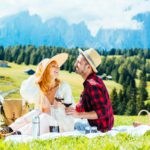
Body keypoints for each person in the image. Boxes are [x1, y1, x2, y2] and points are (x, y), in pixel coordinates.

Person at [0, 53, 75, 137]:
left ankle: (16, 134)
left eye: (58, 66)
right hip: (45, 120)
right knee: (34, 113)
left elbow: (71, 109)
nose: (57, 68)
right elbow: (25, 92)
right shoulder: (41, 87)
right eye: (53, 66)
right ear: (45, 70)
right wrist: (37, 74)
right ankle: (9, 129)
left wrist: (62, 106)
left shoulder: (63, 86)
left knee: (43, 117)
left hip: (61, 124)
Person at [66, 48, 114, 132]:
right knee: (69, 122)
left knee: (68, 127)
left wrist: (78, 115)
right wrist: (68, 108)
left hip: (101, 129)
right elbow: (80, 107)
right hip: (99, 126)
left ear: (88, 67)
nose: (75, 64)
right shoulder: (91, 82)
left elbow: (103, 112)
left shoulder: (92, 85)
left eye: (79, 62)